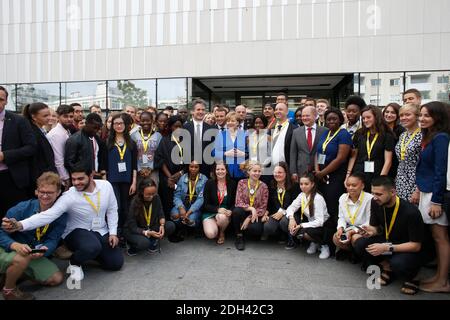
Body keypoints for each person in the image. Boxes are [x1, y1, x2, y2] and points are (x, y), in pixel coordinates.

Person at [1, 165, 124, 281]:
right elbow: (48, 215)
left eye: (80, 178)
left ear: (91, 176)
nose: (76, 183)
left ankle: (91, 253)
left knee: (115, 263)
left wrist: (113, 232)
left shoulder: (106, 186)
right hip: (77, 232)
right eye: (73, 179)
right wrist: (20, 225)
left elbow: (112, 209)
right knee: (92, 247)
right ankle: (75, 262)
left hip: (100, 230)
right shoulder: (68, 196)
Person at [0, 172, 66, 300]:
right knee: (21, 259)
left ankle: (13, 274)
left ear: (58, 193)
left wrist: (46, 250)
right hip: (9, 249)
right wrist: (15, 245)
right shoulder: (21, 209)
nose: (45, 196)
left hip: (32, 253)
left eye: (50, 193)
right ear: (36, 191)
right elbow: (1, 233)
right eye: (42, 192)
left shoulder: (61, 214)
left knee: (56, 278)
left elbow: (53, 239)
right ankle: (9, 291)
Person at [353, 176, 424, 295]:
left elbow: (416, 246)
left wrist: (387, 248)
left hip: (406, 247)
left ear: (392, 192)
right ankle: (387, 267)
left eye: (379, 194)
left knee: (399, 263)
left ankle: (414, 276)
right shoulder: (375, 202)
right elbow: (377, 228)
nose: (375, 197)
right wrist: (371, 231)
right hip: (387, 240)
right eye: (373, 193)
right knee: (360, 243)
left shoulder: (411, 212)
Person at [415, 102, 450, 293]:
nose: (422, 118)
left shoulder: (441, 138)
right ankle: (438, 276)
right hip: (426, 191)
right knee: (435, 236)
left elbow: (441, 171)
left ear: (438, 117)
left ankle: (443, 281)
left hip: (436, 195)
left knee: (440, 237)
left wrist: (437, 200)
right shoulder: (429, 136)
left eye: (427, 115)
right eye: (421, 115)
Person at [315, 108, 352, 246]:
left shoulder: (343, 134)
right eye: (328, 119)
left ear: (340, 120)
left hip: (335, 177)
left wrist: (322, 173)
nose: (331, 121)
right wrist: (317, 171)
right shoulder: (325, 133)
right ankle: (321, 241)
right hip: (322, 177)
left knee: (332, 210)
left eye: (334, 119)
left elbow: (341, 158)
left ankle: (332, 244)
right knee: (321, 209)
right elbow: (317, 153)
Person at [0, 86, 37, 219]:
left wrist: (5, 155)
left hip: (12, 178)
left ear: (6, 101)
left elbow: (31, 147)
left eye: (0, 99)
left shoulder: (18, 121)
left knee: (14, 218)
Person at [346, 105, 395, 192]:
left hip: (377, 173)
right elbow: (353, 156)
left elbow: (388, 161)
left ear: (376, 117)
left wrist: (380, 182)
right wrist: (348, 175)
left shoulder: (387, 135)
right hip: (359, 173)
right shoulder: (359, 133)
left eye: (368, 117)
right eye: (363, 118)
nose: (365, 120)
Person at [283, 173, 331, 259]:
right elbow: (291, 208)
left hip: (324, 225)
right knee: (295, 230)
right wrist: (291, 218)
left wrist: (301, 225)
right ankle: (315, 242)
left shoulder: (318, 198)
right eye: (301, 184)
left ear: (312, 184)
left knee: (305, 231)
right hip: (312, 224)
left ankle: (324, 245)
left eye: (306, 184)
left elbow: (320, 222)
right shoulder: (302, 195)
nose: (303, 186)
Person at [124, 179, 176, 256]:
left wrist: (162, 225)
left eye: (153, 193)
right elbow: (132, 226)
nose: (151, 196)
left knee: (170, 226)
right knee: (144, 243)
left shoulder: (156, 197)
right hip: (136, 230)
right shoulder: (134, 202)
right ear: (141, 192)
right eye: (148, 194)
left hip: (151, 227)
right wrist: (146, 232)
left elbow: (161, 213)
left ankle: (153, 240)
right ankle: (132, 246)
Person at [106, 113, 138, 239]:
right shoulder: (107, 142)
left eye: (121, 123)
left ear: (126, 125)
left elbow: (134, 165)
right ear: (112, 126)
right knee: (116, 207)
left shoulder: (131, 143)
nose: (118, 126)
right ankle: (115, 232)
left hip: (127, 180)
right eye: (116, 123)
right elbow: (104, 164)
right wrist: (105, 183)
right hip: (112, 181)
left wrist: (134, 182)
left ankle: (125, 233)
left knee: (126, 207)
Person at [333, 173, 373, 260]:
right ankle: (352, 252)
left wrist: (353, 231)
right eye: (348, 185)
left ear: (362, 186)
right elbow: (341, 217)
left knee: (355, 238)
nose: (350, 188)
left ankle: (359, 255)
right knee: (336, 237)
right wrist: (340, 228)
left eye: (354, 185)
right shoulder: (342, 197)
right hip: (349, 227)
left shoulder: (369, 199)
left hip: (364, 229)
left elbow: (369, 222)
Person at [154, 116, 185, 221]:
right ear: (171, 127)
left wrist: (180, 173)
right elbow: (160, 160)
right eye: (175, 126)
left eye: (180, 126)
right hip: (167, 176)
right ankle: (169, 225)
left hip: (183, 176)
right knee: (168, 201)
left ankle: (182, 226)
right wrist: (170, 177)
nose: (178, 129)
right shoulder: (164, 140)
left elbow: (190, 161)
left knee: (182, 200)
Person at [232, 161, 269, 251]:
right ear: (248, 172)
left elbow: (263, 207)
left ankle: (247, 230)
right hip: (243, 211)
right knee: (236, 211)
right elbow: (238, 201)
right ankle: (239, 236)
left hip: (256, 214)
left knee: (256, 229)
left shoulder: (264, 186)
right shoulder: (242, 183)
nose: (257, 173)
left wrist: (249, 218)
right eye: (254, 171)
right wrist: (251, 208)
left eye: (259, 171)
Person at [265, 162, 300, 247]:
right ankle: (282, 234)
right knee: (268, 227)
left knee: (284, 221)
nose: (277, 174)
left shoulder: (294, 185)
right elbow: (269, 203)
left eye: (280, 172)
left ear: (286, 173)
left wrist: (283, 212)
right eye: (275, 172)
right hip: (276, 213)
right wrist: (266, 212)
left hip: (292, 213)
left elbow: (295, 205)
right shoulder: (272, 185)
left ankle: (292, 238)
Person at [290, 106, 327, 182]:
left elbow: (324, 151)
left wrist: (322, 169)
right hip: (301, 171)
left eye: (307, 115)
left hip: (319, 171)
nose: (304, 118)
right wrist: (293, 172)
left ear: (315, 116)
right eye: (303, 116)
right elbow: (293, 153)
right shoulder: (296, 132)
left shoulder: (324, 131)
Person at [22, 103, 57, 185]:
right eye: (45, 116)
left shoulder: (41, 129)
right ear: (34, 117)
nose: (49, 118)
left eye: (49, 115)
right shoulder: (32, 133)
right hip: (41, 177)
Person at [202, 162, 237, 245]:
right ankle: (215, 226)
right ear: (215, 171)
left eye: (222, 169)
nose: (220, 171)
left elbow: (235, 202)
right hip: (210, 212)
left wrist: (231, 210)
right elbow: (205, 205)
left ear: (226, 171)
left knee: (222, 217)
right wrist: (217, 209)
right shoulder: (209, 183)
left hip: (224, 214)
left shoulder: (232, 183)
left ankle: (221, 232)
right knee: (211, 234)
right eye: (218, 169)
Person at [170, 161, 208, 238]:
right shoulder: (182, 178)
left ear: (199, 168)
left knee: (191, 219)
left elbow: (201, 199)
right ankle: (182, 228)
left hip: (195, 208)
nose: (193, 169)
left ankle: (196, 229)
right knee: (174, 215)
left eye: (196, 167)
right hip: (183, 205)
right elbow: (177, 195)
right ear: (188, 167)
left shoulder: (204, 179)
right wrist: (181, 207)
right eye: (191, 167)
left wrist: (188, 212)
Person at [65, 113, 107, 180]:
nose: (96, 130)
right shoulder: (74, 139)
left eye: (98, 128)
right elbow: (69, 163)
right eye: (94, 127)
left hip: (97, 177)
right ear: (86, 124)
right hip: (81, 179)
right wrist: (84, 174)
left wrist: (102, 172)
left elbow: (100, 157)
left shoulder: (98, 139)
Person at [394, 104, 422, 201]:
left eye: (407, 115)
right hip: (401, 180)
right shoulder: (403, 135)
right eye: (401, 115)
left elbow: (426, 165)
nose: (403, 118)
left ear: (417, 116)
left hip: (416, 182)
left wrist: (418, 190)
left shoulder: (423, 135)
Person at [183, 99, 214, 176]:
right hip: (189, 167)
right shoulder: (184, 128)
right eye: (198, 109)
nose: (201, 112)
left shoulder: (211, 129)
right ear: (192, 111)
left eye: (203, 110)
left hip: (206, 168)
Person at [131, 111, 162, 187]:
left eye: (148, 120)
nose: (145, 123)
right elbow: (132, 154)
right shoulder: (133, 135)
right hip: (138, 171)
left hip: (152, 171)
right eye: (143, 121)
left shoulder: (158, 136)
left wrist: (150, 169)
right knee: (139, 194)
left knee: (152, 193)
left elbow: (160, 155)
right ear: (139, 121)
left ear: (152, 121)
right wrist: (139, 169)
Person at [47, 104, 75, 190]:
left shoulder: (66, 131)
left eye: (71, 116)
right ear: (58, 117)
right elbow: (58, 159)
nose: (69, 119)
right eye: (65, 116)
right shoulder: (56, 134)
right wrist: (66, 178)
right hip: (60, 178)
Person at [214, 112, 247, 181]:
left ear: (238, 122)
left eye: (232, 121)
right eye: (228, 121)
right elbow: (213, 152)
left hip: (242, 171)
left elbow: (251, 152)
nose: (230, 123)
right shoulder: (221, 135)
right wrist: (225, 153)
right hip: (226, 171)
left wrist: (244, 154)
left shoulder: (245, 134)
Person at [271, 103, 297, 168]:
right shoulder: (271, 129)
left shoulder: (294, 129)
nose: (277, 111)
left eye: (280, 109)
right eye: (276, 109)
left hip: (288, 168)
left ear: (287, 112)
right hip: (272, 169)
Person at [383, 103, 405, 179]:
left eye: (393, 113)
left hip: (395, 167)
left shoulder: (401, 131)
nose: (389, 115)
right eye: (387, 112)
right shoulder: (379, 129)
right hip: (379, 166)